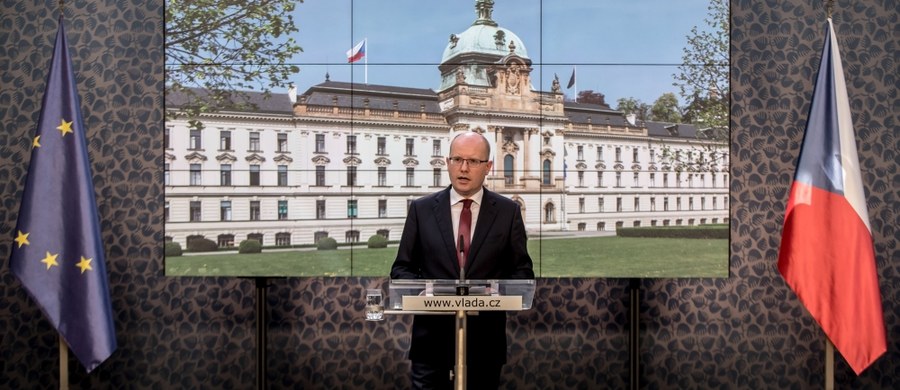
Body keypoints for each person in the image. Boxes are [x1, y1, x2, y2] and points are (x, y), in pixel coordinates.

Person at [391, 131, 535, 389]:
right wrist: (428, 292)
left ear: (488, 166)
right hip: (431, 342)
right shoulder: (421, 210)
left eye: (473, 161)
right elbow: (401, 269)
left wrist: (494, 291)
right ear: (447, 163)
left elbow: (522, 272)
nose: (463, 168)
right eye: (457, 159)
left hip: (485, 343)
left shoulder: (508, 212)